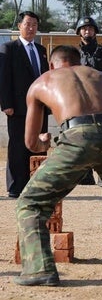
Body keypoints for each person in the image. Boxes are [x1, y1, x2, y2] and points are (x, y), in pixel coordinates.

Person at [14, 45, 102, 286]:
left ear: (51, 64)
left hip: (77, 137)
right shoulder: (99, 75)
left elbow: (30, 142)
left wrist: (44, 143)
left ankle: (39, 269)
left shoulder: (41, 82)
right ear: (79, 63)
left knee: (30, 202)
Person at [0, 11, 49, 198]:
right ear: (19, 26)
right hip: (18, 108)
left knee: (39, 145)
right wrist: (6, 104)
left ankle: (37, 185)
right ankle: (15, 186)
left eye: (35, 24)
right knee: (18, 146)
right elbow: (4, 79)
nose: (31, 28)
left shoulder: (41, 50)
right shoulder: (9, 48)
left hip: (40, 107)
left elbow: (45, 79)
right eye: (28, 24)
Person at [76, 15, 102, 185]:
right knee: (82, 138)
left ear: (95, 32)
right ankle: (85, 175)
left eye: (90, 29)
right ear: (79, 32)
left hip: (100, 102)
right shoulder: (74, 54)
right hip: (80, 102)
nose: (87, 31)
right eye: (84, 29)